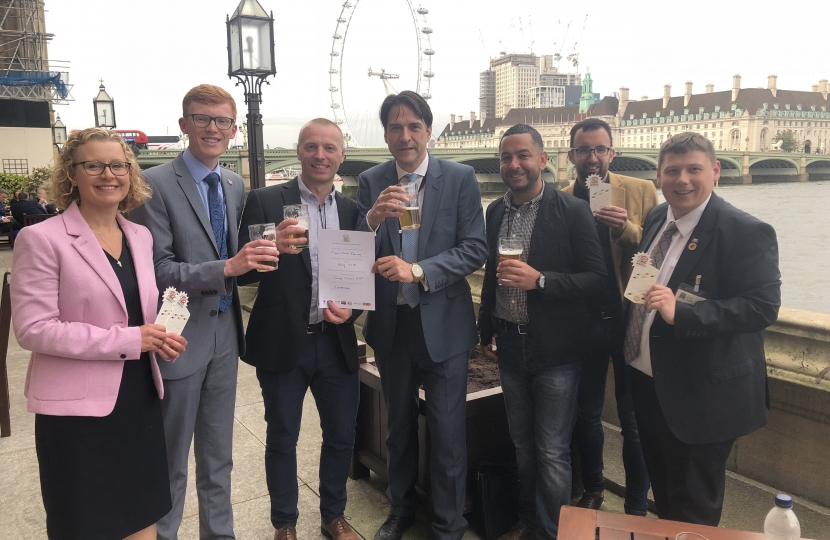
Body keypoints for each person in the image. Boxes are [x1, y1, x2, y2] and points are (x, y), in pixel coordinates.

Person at [10, 127, 187, 540]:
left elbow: (138, 313)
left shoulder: (139, 236)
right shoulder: (40, 239)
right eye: (93, 165)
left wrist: (160, 338)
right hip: (76, 416)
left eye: (118, 165)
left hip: (138, 398)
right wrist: (130, 340)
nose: (108, 174)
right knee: (86, 523)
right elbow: (33, 329)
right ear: (71, 174)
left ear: (130, 173)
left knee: (143, 516)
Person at [129, 84, 278, 539]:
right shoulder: (152, 184)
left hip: (225, 336)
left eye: (222, 121)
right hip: (177, 338)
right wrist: (228, 266)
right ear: (183, 126)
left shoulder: (233, 184)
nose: (213, 128)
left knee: (219, 457)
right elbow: (154, 270)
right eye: (202, 119)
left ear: (234, 131)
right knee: (171, 460)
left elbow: (235, 255)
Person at [623, 132, 781, 525]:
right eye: (673, 171)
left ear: (716, 172)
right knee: (665, 495)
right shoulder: (659, 217)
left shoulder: (744, 231)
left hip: (700, 395)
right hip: (649, 383)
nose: (683, 180)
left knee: (693, 507)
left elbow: (762, 307)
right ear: (658, 176)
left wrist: (686, 314)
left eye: (694, 169)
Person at [356, 90, 488, 540]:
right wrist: (372, 220)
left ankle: (449, 523)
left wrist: (418, 270)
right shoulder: (371, 181)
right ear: (387, 134)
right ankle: (400, 510)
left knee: (449, 434)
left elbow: (475, 248)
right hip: (392, 326)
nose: (405, 135)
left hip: (444, 326)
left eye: (414, 126)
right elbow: (353, 253)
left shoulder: (460, 178)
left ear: (429, 131)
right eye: (396, 126)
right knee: (398, 428)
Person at [478, 124, 607, 540]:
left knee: (552, 451)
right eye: (506, 157)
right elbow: (491, 281)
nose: (514, 165)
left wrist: (542, 281)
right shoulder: (495, 212)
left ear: (543, 160)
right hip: (511, 345)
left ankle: (553, 533)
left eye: (523, 156)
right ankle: (527, 522)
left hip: (556, 349)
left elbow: (596, 278)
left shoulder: (571, 211)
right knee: (522, 445)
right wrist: (487, 331)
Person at [237, 119, 361, 540]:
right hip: (282, 341)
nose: (320, 155)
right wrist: (270, 245)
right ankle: (284, 523)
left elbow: (359, 278)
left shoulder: (352, 210)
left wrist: (353, 312)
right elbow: (243, 275)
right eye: (312, 146)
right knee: (283, 436)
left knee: (342, 435)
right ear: (299, 152)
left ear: (342, 154)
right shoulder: (266, 200)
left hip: (336, 342)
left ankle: (333, 516)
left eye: (329, 147)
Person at [561, 118, 656, 515]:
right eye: (584, 150)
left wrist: (627, 229)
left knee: (634, 420)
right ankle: (594, 488)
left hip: (629, 317)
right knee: (587, 412)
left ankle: (635, 503)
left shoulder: (641, 190)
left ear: (612, 153)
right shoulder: (563, 198)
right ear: (572, 157)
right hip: (585, 321)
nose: (593, 158)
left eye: (600, 149)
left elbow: (658, 256)